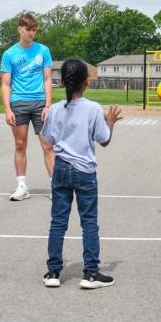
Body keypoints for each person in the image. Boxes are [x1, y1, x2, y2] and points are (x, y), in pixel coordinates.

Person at [40, 58, 122, 289]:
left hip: (62, 168)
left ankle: (53, 272)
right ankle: (91, 273)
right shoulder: (93, 108)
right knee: (89, 222)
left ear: (62, 81)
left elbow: (47, 139)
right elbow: (104, 140)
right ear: (87, 81)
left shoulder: (55, 109)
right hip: (84, 170)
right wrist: (111, 122)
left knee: (58, 221)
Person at [0, 13, 54, 201]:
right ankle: (22, 186)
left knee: (47, 144)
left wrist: (48, 104)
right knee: (20, 144)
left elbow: (48, 79)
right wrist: (7, 109)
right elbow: (6, 84)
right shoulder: (9, 54)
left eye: (34, 30)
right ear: (20, 29)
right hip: (19, 102)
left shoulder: (43, 51)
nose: (31, 33)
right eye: (28, 29)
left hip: (40, 102)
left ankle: (55, 186)